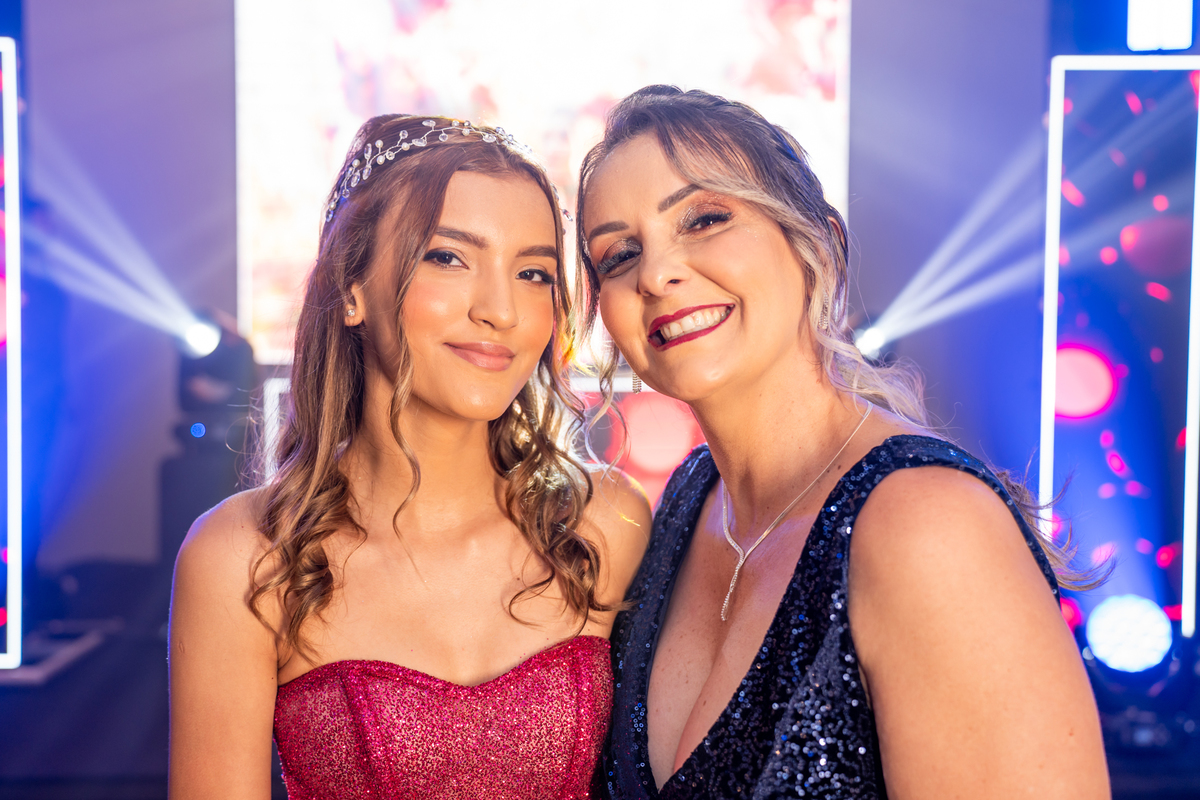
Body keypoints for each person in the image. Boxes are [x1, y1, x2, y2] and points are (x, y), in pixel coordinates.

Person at [577, 86, 1109, 799]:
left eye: (704, 219)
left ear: (818, 242)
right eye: (619, 254)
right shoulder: (685, 502)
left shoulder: (927, 526)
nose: (655, 274)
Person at [169, 114, 650, 800]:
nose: (501, 311)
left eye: (533, 273)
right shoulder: (244, 557)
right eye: (448, 257)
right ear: (351, 287)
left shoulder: (605, 525)